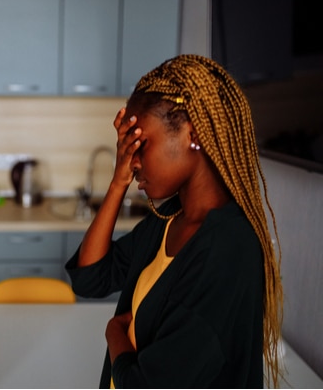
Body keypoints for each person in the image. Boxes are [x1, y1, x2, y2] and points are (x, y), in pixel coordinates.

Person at [65, 54, 283, 388]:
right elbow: (90, 278)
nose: (132, 161)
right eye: (128, 147)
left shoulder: (228, 250)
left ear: (192, 134)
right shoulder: (168, 219)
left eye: (141, 144)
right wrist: (118, 182)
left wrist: (114, 333)